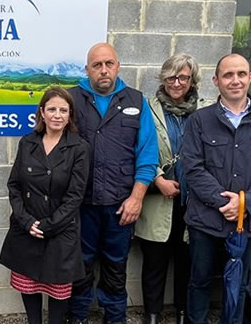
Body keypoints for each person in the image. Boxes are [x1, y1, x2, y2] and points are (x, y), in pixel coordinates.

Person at [183, 54, 251, 324]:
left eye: (241, 74)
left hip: (250, 222)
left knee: (239, 284)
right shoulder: (199, 120)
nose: (235, 80)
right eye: (228, 75)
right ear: (216, 81)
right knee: (199, 282)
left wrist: (246, 202)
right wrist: (223, 202)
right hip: (205, 221)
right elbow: (192, 167)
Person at [67, 43, 159, 324]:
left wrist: (137, 198)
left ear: (118, 66)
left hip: (121, 205)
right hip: (81, 203)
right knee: (80, 264)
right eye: (97, 65)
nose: (103, 70)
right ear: (87, 70)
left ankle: (115, 318)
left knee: (116, 267)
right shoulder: (72, 100)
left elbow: (147, 153)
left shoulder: (136, 101)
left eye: (109, 63)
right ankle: (78, 317)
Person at [0, 87, 90, 324]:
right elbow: (14, 186)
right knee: (28, 287)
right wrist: (27, 222)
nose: (57, 115)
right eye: (52, 109)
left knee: (58, 292)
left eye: (63, 110)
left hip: (60, 232)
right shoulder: (28, 142)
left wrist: (48, 226)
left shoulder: (79, 148)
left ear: (70, 115)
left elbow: (75, 195)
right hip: (27, 229)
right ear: (42, 112)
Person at [137, 53, 208, 324]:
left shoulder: (206, 108)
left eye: (183, 77)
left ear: (192, 80)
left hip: (195, 202)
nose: (176, 83)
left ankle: (182, 313)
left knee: (188, 262)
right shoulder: (148, 108)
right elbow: (139, 147)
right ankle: (152, 315)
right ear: (163, 78)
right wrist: (157, 179)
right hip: (159, 200)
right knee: (154, 263)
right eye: (171, 77)